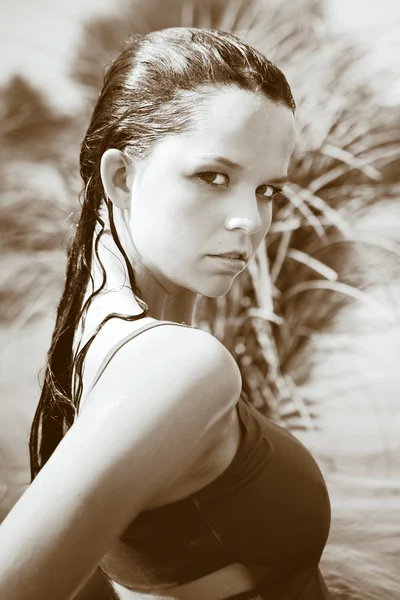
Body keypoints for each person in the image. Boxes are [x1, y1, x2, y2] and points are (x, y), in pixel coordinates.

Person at [0, 27, 332, 600]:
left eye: (267, 190)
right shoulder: (178, 365)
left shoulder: (91, 334)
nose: (250, 222)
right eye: (214, 177)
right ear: (121, 178)